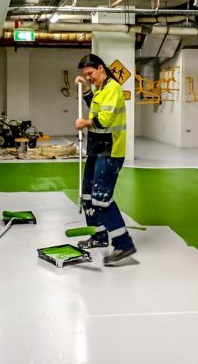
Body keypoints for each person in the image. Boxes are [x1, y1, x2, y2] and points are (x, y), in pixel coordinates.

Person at [74, 53, 136, 265]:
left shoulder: (113, 88)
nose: (89, 77)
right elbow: (94, 106)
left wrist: (84, 123)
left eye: (90, 73)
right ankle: (99, 236)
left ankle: (124, 244)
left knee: (101, 198)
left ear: (101, 68)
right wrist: (85, 89)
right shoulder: (100, 88)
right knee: (88, 196)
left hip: (110, 151)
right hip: (96, 148)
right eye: (85, 75)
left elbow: (103, 119)